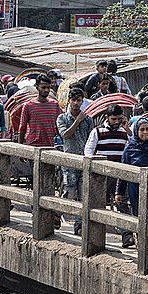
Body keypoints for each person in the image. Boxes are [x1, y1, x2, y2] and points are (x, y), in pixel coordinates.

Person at [84, 104, 130, 245]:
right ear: (107, 118)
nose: (116, 122)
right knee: (99, 204)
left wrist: (128, 129)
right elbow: (88, 152)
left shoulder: (125, 132)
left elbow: (133, 146)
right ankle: (95, 237)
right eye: (114, 119)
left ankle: (127, 236)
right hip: (102, 176)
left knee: (122, 204)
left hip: (120, 175)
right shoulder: (97, 132)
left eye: (119, 119)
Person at [57, 87, 94, 234]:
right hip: (69, 161)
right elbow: (65, 135)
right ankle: (56, 214)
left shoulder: (89, 119)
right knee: (69, 192)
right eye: (74, 100)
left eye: (79, 101)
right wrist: (78, 121)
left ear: (82, 101)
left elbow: (92, 138)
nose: (76, 103)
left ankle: (79, 226)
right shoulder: (62, 118)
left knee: (83, 195)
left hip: (84, 161)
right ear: (69, 101)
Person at [16, 74, 61, 147]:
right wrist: (20, 148)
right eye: (43, 87)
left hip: (49, 147)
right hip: (33, 145)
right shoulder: (28, 105)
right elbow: (22, 128)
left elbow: (59, 126)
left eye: (48, 87)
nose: (46, 90)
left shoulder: (55, 105)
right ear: (37, 87)